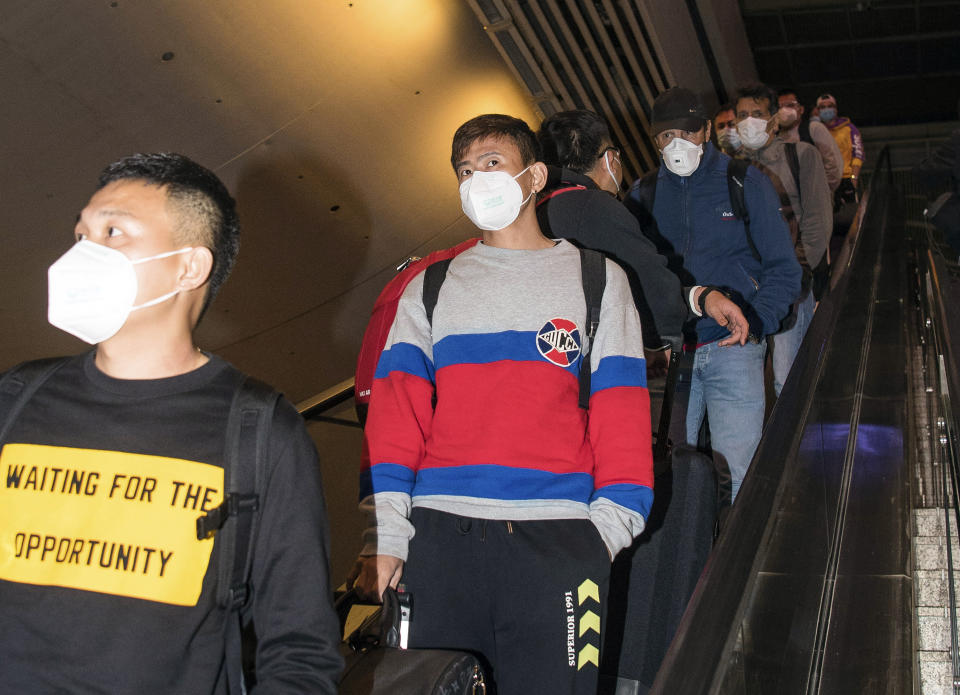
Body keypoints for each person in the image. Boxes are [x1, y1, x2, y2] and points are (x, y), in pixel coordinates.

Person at [0, 153, 342, 693]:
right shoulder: (16, 398)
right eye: (81, 234)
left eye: (113, 232)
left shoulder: (258, 432)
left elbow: (301, 651)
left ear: (189, 267)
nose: (84, 253)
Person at [353, 114, 654, 694]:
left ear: (535, 175)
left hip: (560, 542)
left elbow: (622, 413)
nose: (476, 181)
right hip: (439, 540)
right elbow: (396, 417)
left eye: (491, 164)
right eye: (465, 171)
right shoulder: (430, 285)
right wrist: (387, 537)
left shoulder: (598, 280)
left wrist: (607, 531)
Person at [625, 87, 801, 500]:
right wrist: (653, 336)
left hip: (733, 348)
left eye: (687, 132)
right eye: (666, 137)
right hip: (674, 356)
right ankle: (690, 561)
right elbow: (633, 276)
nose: (677, 144)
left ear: (706, 130)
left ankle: (736, 562)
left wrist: (756, 321)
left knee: (738, 474)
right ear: (655, 143)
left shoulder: (744, 181)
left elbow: (783, 268)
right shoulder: (642, 195)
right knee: (671, 477)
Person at [535, 109, 748, 377]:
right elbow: (648, 281)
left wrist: (700, 296)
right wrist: (664, 338)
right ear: (610, 158)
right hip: (601, 362)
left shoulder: (535, 211)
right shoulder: (596, 207)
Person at [735, 84, 833, 396]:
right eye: (742, 115)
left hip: (790, 283)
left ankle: (795, 442)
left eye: (758, 114)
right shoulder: (730, 168)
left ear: (774, 119)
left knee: (788, 378)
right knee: (744, 381)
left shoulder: (801, 156)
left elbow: (817, 220)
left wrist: (799, 271)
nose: (749, 121)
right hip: (744, 287)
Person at [776, 87, 843, 192]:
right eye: (780, 107)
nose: (784, 110)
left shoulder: (813, 129)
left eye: (790, 105)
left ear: (801, 109)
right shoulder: (775, 137)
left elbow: (832, 165)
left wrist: (822, 193)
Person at [815, 93, 864, 212]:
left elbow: (858, 154)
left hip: (846, 180)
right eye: (823, 107)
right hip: (824, 183)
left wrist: (854, 178)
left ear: (836, 109)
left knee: (851, 216)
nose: (827, 109)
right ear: (818, 111)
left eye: (830, 106)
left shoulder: (850, 128)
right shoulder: (815, 131)